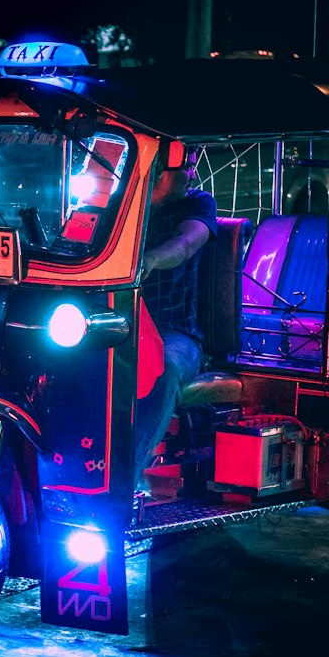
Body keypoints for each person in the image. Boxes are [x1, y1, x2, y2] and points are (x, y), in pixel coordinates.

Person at [134, 147, 217, 492]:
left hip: (175, 331)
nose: (193, 174)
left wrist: (149, 260)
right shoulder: (124, 205)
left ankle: (123, 482)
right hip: (120, 325)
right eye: (188, 166)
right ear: (160, 170)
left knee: (164, 369)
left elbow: (185, 244)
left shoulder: (198, 203)